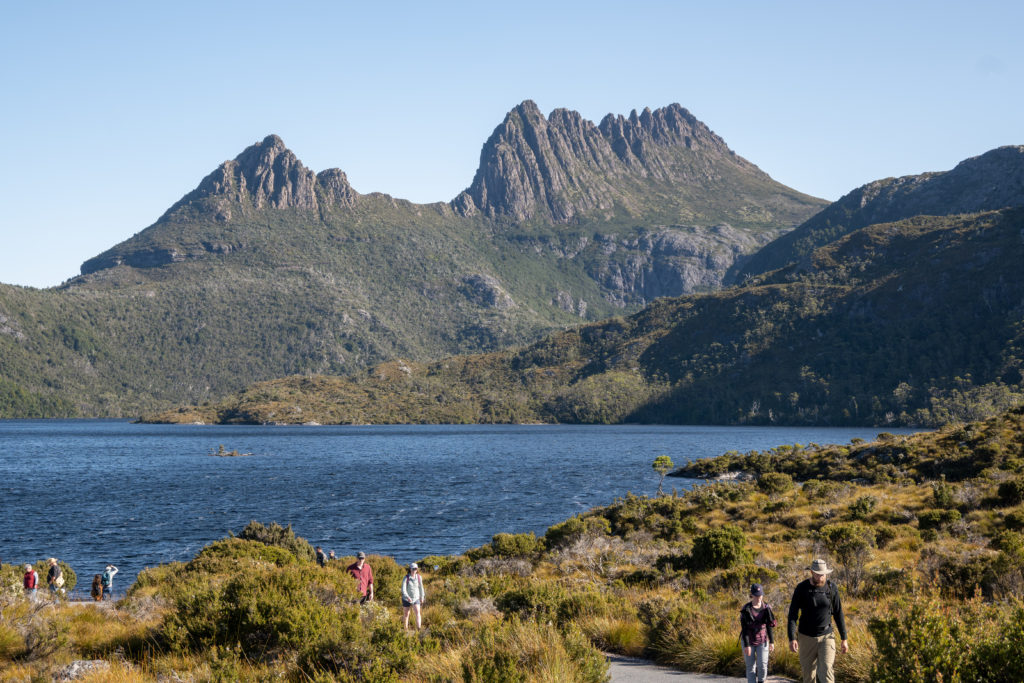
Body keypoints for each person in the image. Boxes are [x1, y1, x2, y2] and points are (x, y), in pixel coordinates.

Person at [788, 559, 849, 683]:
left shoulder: (832, 588)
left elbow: (838, 613)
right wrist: (792, 638)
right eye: (817, 574)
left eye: (823, 574)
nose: (821, 577)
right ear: (811, 572)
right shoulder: (801, 588)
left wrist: (844, 638)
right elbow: (792, 615)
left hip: (826, 636)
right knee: (808, 675)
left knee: (826, 671)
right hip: (806, 637)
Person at [740, 583, 776, 683]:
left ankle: (761, 681)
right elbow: (744, 629)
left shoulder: (766, 608)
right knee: (750, 667)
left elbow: (769, 625)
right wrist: (747, 645)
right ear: (752, 595)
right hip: (748, 641)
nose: (759, 597)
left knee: (763, 665)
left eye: (760, 595)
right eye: (756, 595)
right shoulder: (746, 609)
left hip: (762, 640)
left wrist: (772, 642)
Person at [401, 563, 426, 630]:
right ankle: (405, 629)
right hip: (406, 599)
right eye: (413, 569)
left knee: (418, 613)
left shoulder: (419, 577)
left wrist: (422, 597)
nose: (414, 570)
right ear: (410, 569)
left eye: (416, 569)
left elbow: (421, 587)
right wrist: (407, 597)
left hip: (416, 598)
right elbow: (403, 589)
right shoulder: (406, 578)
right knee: (406, 614)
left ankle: (419, 629)